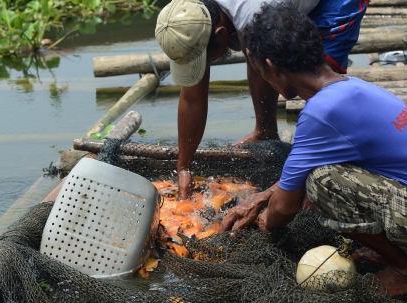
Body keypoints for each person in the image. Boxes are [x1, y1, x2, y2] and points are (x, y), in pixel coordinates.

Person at [218, 1, 407, 297]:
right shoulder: (349, 87)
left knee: (323, 182)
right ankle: (397, 253)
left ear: (271, 67)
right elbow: (295, 176)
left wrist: (265, 220)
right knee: (319, 175)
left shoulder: (322, 112)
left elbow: (283, 209)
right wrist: (263, 197)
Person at [154, 0, 369, 200]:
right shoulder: (189, 14)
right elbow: (192, 99)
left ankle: (342, 155)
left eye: (203, 59)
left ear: (220, 34)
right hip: (267, 13)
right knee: (259, 54)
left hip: (337, 4)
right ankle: (266, 130)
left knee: (318, 82)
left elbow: (291, 85)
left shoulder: (256, 17)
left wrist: (290, 186)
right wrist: (184, 168)